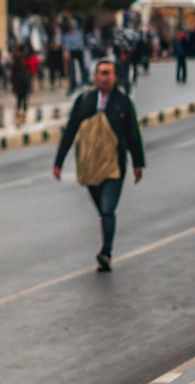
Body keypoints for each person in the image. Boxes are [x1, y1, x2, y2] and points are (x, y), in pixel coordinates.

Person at [53, 58, 144, 272]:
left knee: (107, 208)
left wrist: (138, 163)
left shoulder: (123, 102)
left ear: (115, 77)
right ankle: (106, 245)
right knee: (101, 209)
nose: (105, 77)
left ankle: (106, 251)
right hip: (90, 166)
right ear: (95, 77)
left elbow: (133, 133)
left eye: (109, 73)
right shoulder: (84, 101)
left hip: (114, 166)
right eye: (102, 73)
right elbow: (70, 131)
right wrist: (58, 162)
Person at [10, 46, 31, 124]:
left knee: (24, 100)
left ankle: (24, 116)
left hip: (24, 83)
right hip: (19, 84)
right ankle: (19, 116)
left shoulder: (24, 61)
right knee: (19, 101)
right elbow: (13, 75)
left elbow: (27, 74)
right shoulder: (16, 62)